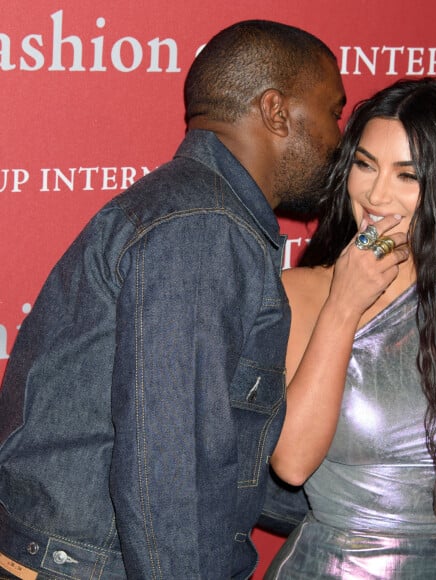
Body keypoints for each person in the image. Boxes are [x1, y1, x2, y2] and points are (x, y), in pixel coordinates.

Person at [0, 20, 350, 580]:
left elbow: (219, 455)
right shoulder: (204, 227)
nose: (341, 139)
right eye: (334, 112)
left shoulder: (200, 214)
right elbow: (172, 479)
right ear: (277, 112)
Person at [265, 78, 436, 579]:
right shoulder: (302, 294)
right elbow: (292, 463)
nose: (375, 193)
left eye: (406, 175)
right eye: (365, 165)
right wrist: (343, 305)